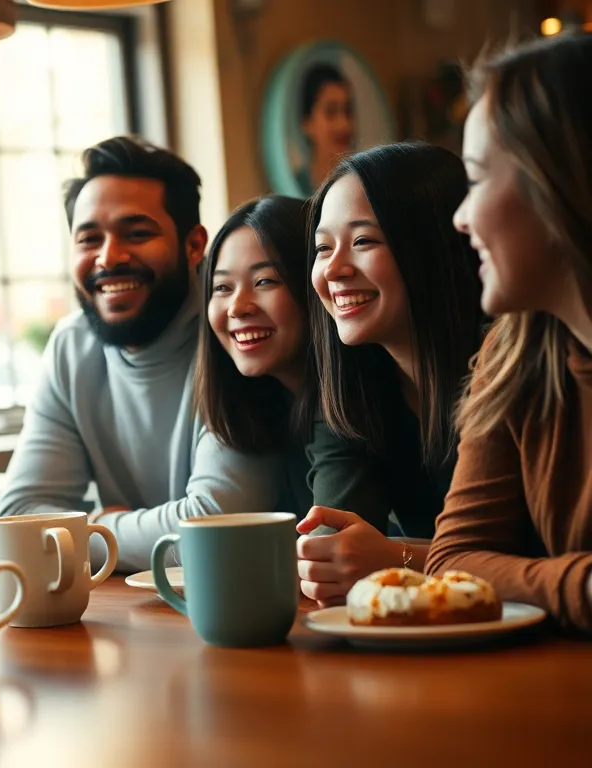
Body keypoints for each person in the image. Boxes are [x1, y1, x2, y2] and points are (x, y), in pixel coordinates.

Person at [0, 136, 282, 572]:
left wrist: (99, 531)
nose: (109, 258)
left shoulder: (237, 334)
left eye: (137, 234)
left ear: (193, 245)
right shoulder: (72, 347)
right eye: (89, 239)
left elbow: (217, 528)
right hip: (134, 619)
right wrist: (109, 531)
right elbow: (13, 522)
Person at [428, 34, 592, 635]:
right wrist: (583, 585)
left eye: (475, 180)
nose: (459, 217)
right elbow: (453, 560)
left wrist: (534, 579)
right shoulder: (515, 351)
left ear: (556, 183)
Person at [295, 142, 485, 606]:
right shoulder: (350, 386)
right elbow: (338, 543)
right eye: (323, 248)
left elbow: (537, 559)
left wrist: (398, 558)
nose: (334, 270)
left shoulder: (513, 366)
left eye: (363, 241)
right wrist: (334, 560)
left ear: (434, 247)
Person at [195, 195, 313, 514]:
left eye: (264, 281)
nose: (237, 306)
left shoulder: (360, 409)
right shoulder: (261, 409)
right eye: (222, 288)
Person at [296, 63, 355, 196]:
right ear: (308, 123)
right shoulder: (297, 186)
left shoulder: (359, 184)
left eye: (347, 111)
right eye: (331, 112)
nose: (344, 124)